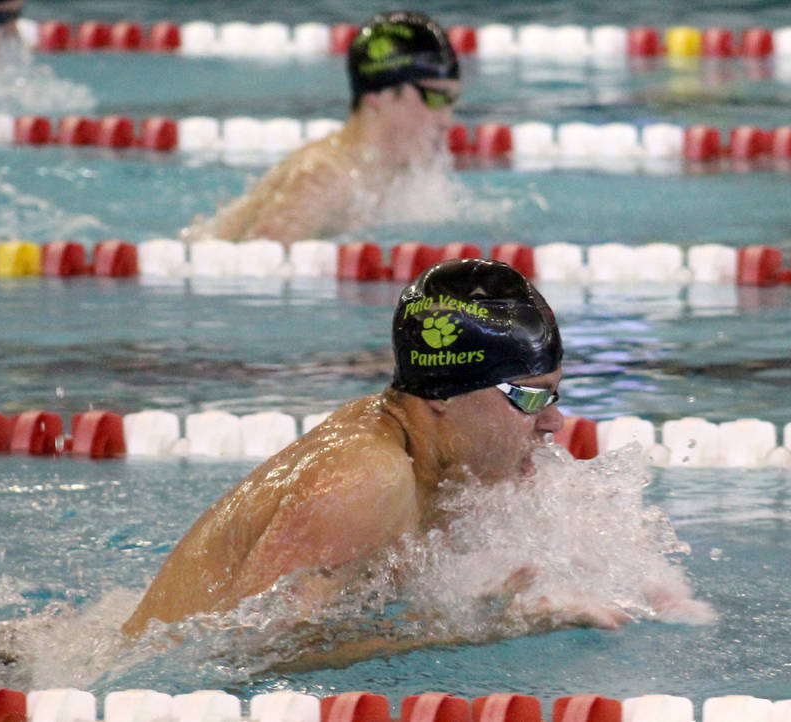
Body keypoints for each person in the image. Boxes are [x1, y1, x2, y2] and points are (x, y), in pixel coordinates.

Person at [123, 259, 587, 654]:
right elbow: (246, 647)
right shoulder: (365, 478)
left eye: (554, 395)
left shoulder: (430, 452)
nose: (553, 422)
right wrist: (485, 628)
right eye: (530, 398)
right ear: (446, 392)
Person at [180, 10, 460, 245]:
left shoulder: (395, 175)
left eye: (451, 101)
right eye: (435, 97)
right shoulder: (323, 177)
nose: (447, 119)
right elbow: (261, 263)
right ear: (379, 94)